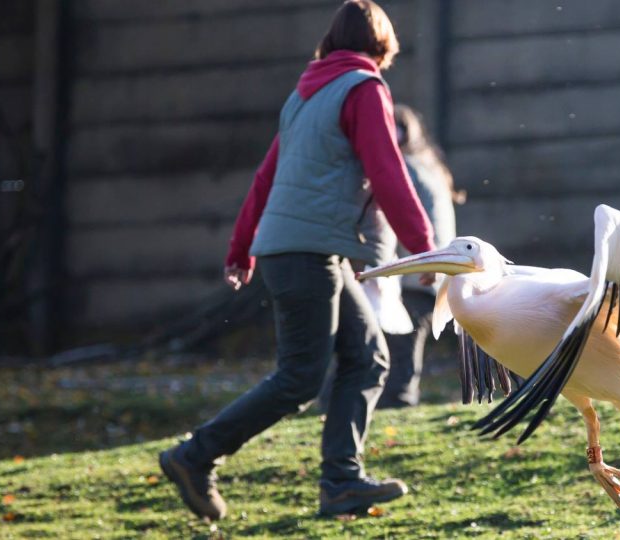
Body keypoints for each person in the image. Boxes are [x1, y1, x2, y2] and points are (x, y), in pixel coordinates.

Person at [158, 0, 436, 520]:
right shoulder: (364, 88)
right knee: (300, 379)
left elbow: (266, 177)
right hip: (307, 253)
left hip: (302, 250)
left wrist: (241, 247)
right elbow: (389, 172)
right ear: (382, 46)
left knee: (368, 358)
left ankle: (342, 484)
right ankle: (193, 456)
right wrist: (425, 250)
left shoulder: (304, 96)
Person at [376, 104, 462, 408]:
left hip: (416, 277)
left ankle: (398, 407)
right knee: (399, 353)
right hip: (431, 276)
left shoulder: (404, 167)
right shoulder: (429, 165)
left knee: (398, 357)